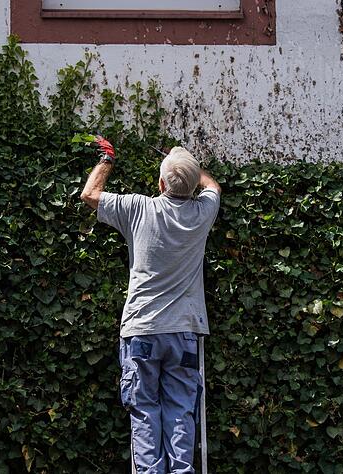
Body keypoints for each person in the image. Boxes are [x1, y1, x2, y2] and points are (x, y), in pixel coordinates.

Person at [80, 136, 221, 473]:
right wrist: (188, 164)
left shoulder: (139, 208)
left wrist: (107, 158)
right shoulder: (203, 212)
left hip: (141, 329)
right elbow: (211, 185)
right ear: (193, 187)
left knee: (144, 410)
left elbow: (90, 195)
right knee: (181, 410)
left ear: (160, 183)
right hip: (184, 331)